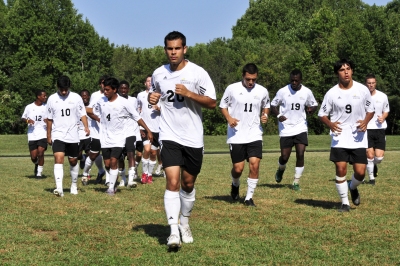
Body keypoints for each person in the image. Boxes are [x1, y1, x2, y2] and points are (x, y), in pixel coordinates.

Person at [149, 31, 216, 249]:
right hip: (169, 136)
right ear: (165, 50)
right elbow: (154, 93)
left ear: (184, 49)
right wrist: (153, 98)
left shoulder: (198, 73)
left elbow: (212, 102)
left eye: (177, 48)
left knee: (188, 184)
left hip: (193, 137)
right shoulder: (159, 73)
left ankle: (185, 222)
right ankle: (173, 232)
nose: (173, 52)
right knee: (173, 182)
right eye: (169, 48)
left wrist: (189, 93)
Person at [318, 59, 374, 212]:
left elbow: (371, 110)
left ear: (352, 71)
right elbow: (322, 114)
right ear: (337, 73)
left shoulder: (362, 90)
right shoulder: (331, 93)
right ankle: (345, 203)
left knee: (361, 173)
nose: (346, 72)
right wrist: (330, 124)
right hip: (340, 136)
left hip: (358, 137)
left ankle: (353, 187)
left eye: (348, 68)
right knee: (340, 169)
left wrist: (366, 121)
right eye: (342, 70)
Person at [91, 77, 153, 196]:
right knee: (108, 164)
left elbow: (137, 117)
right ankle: (114, 181)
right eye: (105, 90)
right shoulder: (101, 101)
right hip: (105, 137)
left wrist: (148, 130)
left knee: (114, 161)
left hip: (119, 137)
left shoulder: (124, 103)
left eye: (108, 90)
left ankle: (111, 188)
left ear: (115, 90)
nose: (105, 92)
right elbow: (93, 111)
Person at [219, 63, 269, 207]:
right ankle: (235, 184)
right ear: (243, 76)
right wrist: (229, 118)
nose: (251, 82)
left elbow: (267, 105)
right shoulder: (232, 89)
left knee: (255, 164)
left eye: (253, 79)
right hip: (236, 135)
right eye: (248, 79)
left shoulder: (262, 91)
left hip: (254, 133)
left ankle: (248, 198)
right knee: (238, 168)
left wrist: (265, 115)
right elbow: (223, 106)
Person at [270, 69, 318, 191]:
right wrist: (278, 116)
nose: (294, 82)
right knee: (284, 157)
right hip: (286, 128)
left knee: (300, 153)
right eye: (292, 80)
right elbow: (273, 105)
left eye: (296, 80)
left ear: (300, 80)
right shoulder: (283, 91)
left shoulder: (307, 92)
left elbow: (314, 104)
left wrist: (311, 110)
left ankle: (296, 182)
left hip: (300, 126)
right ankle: (281, 169)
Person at [47, 76, 90, 197]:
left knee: (73, 160)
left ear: (69, 87)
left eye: (66, 89)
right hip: (58, 134)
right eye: (62, 89)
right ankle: (59, 189)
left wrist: (86, 127)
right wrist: (48, 135)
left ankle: (74, 185)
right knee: (58, 158)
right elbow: (49, 119)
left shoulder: (76, 98)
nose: (64, 92)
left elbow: (82, 114)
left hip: (73, 134)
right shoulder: (52, 99)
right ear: (58, 87)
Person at [82, 76, 108, 185]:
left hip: (109, 131)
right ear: (99, 84)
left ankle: (108, 180)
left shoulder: (113, 96)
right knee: (93, 154)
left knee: (109, 156)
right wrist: (98, 118)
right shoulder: (95, 95)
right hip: (96, 130)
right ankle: (85, 173)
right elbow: (88, 109)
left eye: (105, 83)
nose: (104, 85)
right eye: (102, 83)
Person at [365, 73, 390, 185]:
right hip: (367, 129)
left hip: (379, 129)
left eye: (373, 83)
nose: (371, 85)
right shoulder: (361, 96)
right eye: (369, 83)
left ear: (376, 83)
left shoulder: (382, 96)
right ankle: (371, 179)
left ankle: (373, 165)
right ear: (366, 84)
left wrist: (383, 117)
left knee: (378, 158)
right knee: (369, 155)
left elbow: (386, 110)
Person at [137, 75, 162, 184]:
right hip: (145, 127)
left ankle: (150, 174)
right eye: (148, 81)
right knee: (146, 150)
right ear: (145, 83)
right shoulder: (141, 95)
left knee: (153, 153)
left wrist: (158, 108)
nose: (150, 83)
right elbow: (137, 112)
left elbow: (167, 112)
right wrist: (139, 127)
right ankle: (144, 174)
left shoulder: (160, 96)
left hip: (157, 128)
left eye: (152, 81)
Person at [21, 89, 48, 177]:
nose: (45, 97)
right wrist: (28, 120)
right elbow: (23, 118)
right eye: (44, 96)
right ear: (38, 96)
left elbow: (52, 119)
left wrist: (48, 121)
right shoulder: (29, 107)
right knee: (33, 157)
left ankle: (39, 173)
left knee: (40, 152)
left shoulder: (46, 107)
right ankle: (37, 164)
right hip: (32, 133)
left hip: (43, 133)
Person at [117, 80, 139, 188]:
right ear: (118, 89)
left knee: (131, 154)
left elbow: (137, 115)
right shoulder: (115, 100)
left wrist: (142, 129)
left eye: (125, 88)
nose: (123, 90)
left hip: (131, 131)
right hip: (119, 132)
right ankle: (123, 179)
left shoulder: (134, 100)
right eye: (121, 88)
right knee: (120, 158)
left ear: (128, 89)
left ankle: (130, 180)